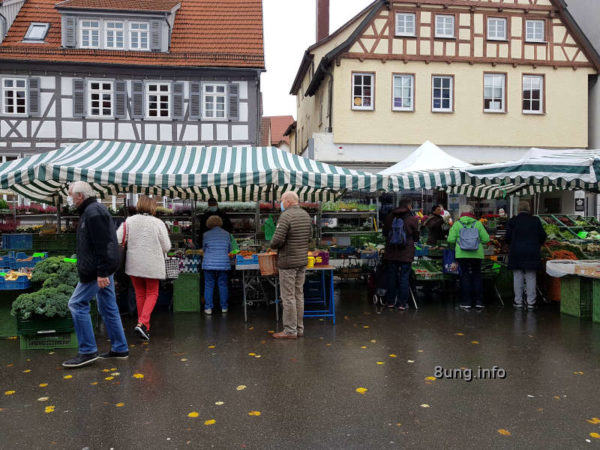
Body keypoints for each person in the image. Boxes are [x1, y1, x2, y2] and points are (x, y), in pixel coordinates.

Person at [62, 181, 128, 368]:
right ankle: (120, 348)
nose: (70, 199)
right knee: (108, 306)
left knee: (76, 303)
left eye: (70, 195)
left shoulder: (93, 212)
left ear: (80, 196)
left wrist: (101, 272)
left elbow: (104, 243)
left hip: (96, 271)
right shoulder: (92, 211)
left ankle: (87, 350)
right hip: (101, 268)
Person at [116, 196, 171, 340]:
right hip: (152, 264)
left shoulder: (129, 221)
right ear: (153, 207)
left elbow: (118, 238)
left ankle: (144, 327)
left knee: (140, 293)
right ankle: (142, 323)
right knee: (152, 293)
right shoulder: (158, 223)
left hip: (134, 264)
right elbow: (167, 246)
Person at [270, 192, 312, 339]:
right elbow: (310, 237)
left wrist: (272, 246)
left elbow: (277, 240)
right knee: (298, 295)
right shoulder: (306, 215)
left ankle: (289, 331)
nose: (280, 203)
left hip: (288, 262)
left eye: (281, 201)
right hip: (302, 261)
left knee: (288, 297)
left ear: (287, 201)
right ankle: (299, 329)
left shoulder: (286, 216)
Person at [447, 204, 490, 311]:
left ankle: (467, 303)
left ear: (462, 213)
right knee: (477, 276)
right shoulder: (478, 224)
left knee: (465, 276)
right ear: (472, 213)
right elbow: (486, 239)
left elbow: (450, 240)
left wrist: (458, 243)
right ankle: (479, 302)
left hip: (462, 254)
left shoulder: (457, 224)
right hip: (477, 254)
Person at [506, 201, 547, 311]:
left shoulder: (512, 221)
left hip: (516, 252)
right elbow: (543, 236)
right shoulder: (535, 221)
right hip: (532, 252)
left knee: (517, 276)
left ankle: (518, 301)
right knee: (531, 276)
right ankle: (531, 302)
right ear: (529, 209)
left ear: (518, 210)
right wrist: (537, 244)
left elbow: (507, 238)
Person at [382, 198, 420, 311]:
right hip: (406, 253)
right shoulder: (412, 219)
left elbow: (384, 233)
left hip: (391, 252)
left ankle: (390, 302)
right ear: (409, 206)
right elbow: (416, 237)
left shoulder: (390, 216)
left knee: (392, 277)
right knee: (404, 277)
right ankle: (402, 303)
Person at [202, 215, 232, 315]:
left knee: (209, 285)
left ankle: (208, 308)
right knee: (223, 285)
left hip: (209, 263)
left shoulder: (206, 235)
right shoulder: (227, 234)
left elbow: (204, 249)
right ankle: (224, 307)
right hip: (223, 263)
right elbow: (229, 250)